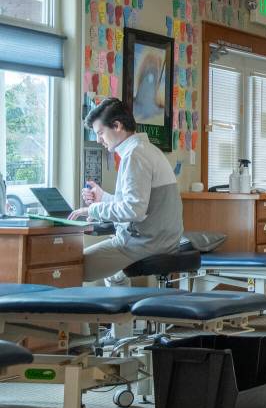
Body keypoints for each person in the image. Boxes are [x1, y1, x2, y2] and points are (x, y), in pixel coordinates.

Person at [70, 98, 183, 286]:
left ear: (117, 126)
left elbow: (134, 210)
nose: (98, 140)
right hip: (163, 240)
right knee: (113, 275)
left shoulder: (134, 155)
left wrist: (93, 209)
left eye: (100, 133)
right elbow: (139, 203)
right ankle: (123, 302)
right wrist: (103, 198)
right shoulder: (148, 150)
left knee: (68, 268)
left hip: (145, 244)